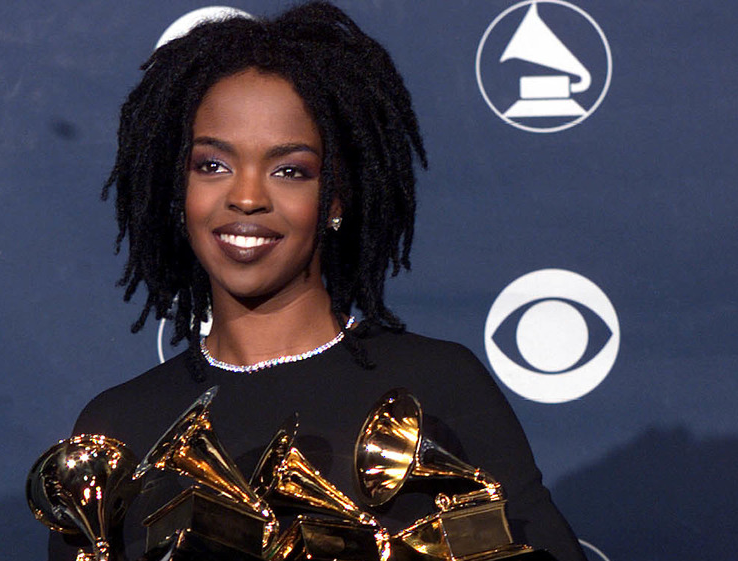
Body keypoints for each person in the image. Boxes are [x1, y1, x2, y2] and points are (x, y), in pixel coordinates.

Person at [50, 3, 586, 561]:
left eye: (290, 170)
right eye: (212, 165)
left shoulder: (440, 387)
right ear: (178, 190)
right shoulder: (115, 428)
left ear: (334, 198)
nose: (247, 196)